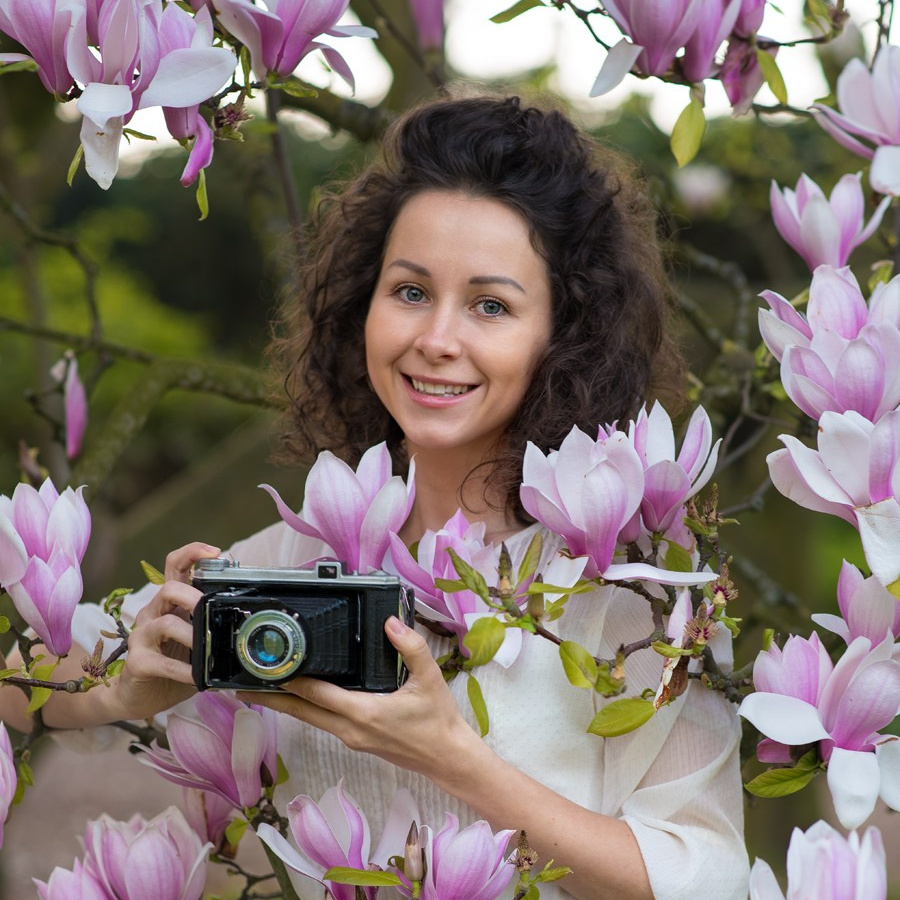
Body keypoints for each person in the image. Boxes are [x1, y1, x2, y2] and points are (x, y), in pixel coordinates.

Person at [1, 93, 748, 900]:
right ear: (364, 303)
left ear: (564, 335)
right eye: (411, 291)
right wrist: (118, 688)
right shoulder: (289, 565)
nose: (436, 339)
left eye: (491, 305)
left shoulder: (639, 590)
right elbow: (21, 682)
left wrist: (451, 758)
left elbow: (706, 877)